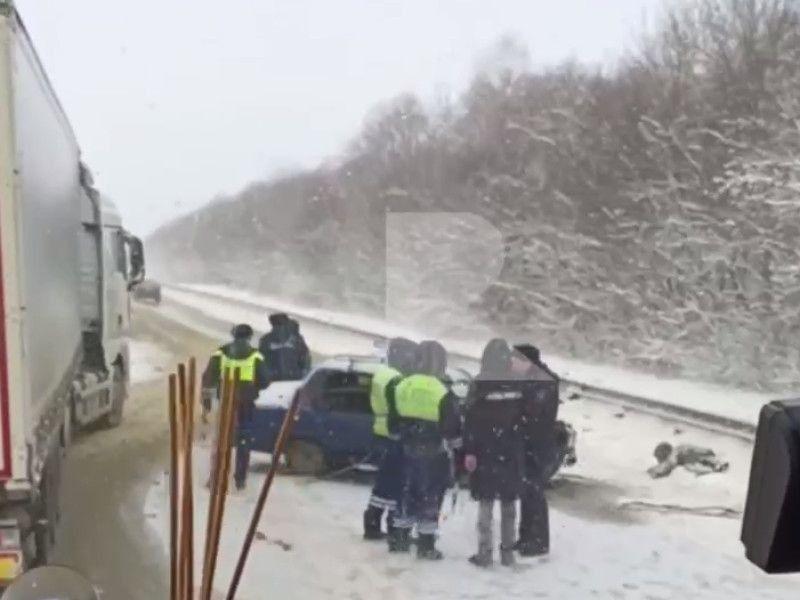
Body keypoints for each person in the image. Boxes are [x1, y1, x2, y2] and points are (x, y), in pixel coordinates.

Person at [388, 341, 461, 559]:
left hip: (406, 448)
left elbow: (393, 423)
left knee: (406, 492)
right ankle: (426, 544)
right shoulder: (443, 391)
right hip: (433, 451)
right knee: (430, 497)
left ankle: (399, 537)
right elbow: (452, 429)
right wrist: (458, 451)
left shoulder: (402, 385)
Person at [463, 338, 526, 567]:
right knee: (509, 504)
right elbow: (524, 419)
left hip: (485, 452)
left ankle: (485, 552)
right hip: (510, 452)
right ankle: (508, 553)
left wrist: (469, 452)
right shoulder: (518, 384)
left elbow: (470, 421)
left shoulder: (480, 383)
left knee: (486, 503)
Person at [363, 337, 418, 540]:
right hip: (393, 435)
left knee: (384, 483)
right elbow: (400, 409)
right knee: (396, 484)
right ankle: (393, 527)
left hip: (381, 432)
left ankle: (372, 523)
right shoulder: (396, 379)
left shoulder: (383, 374)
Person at [202, 324, 269, 490]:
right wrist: (252, 388)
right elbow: (265, 380)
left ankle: (216, 476)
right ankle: (240, 479)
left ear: (233, 335)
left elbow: (209, 377)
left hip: (226, 401)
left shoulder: (221, 352)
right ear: (249, 337)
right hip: (246, 402)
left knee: (222, 439)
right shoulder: (255, 355)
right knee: (244, 440)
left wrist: (206, 401)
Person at [512, 343, 559, 557]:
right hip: (527, 442)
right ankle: (526, 537)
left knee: (534, 492)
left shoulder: (543, 383)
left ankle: (538, 541)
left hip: (538, 445)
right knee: (526, 491)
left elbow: (534, 413)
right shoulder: (530, 379)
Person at [258, 313, 310, 382]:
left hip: (273, 379)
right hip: (294, 378)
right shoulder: (297, 338)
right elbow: (305, 357)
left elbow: (261, 361)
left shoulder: (265, 339)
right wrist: (303, 373)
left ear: (272, 324)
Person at [647, 442, 729, 478]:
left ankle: (716, 466)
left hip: (687, 457)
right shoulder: (679, 451)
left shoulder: (681, 453)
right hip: (687, 456)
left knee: (690, 466)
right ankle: (716, 466)